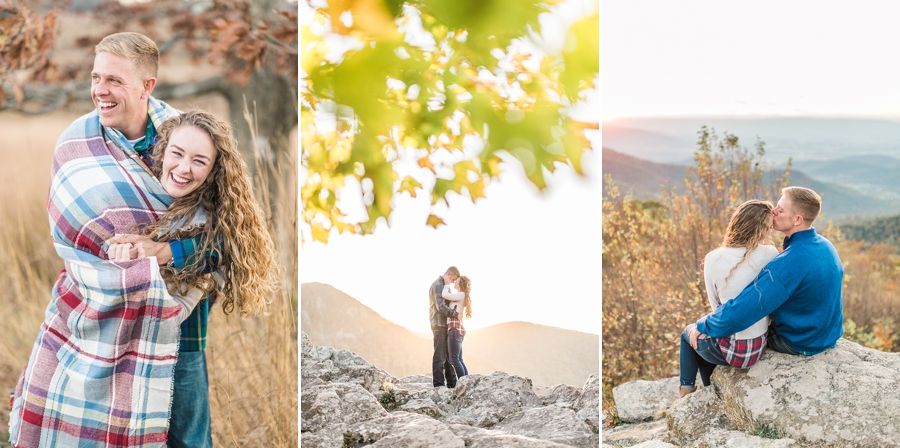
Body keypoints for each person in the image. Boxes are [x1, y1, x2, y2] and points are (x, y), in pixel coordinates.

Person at [694, 186, 844, 361]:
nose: (773, 212)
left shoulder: (792, 261)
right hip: (826, 336)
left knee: (720, 335)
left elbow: (747, 307)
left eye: (780, 210)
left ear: (797, 219)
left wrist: (703, 325)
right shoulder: (825, 245)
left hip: (800, 342)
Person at [679, 200, 778, 397]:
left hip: (733, 351)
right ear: (757, 229)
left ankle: (687, 390)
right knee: (702, 334)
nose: (769, 233)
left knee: (688, 335)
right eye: (767, 228)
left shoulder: (713, 258)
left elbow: (716, 308)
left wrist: (700, 327)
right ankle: (709, 388)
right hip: (758, 346)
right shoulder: (770, 253)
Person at [430, 267, 461, 388]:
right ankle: (438, 385)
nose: (453, 282)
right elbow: (440, 307)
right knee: (439, 355)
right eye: (453, 279)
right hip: (439, 324)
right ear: (448, 274)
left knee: (448, 355)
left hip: (445, 324)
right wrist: (456, 314)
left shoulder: (444, 287)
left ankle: (452, 385)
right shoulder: (437, 285)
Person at [443, 276, 472, 378]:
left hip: (455, 329)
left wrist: (446, 284)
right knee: (458, 359)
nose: (455, 282)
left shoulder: (461, 295)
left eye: (457, 281)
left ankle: (463, 383)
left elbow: (444, 295)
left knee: (454, 359)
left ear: (461, 284)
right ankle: (466, 383)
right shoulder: (461, 296)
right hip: (457, 329)